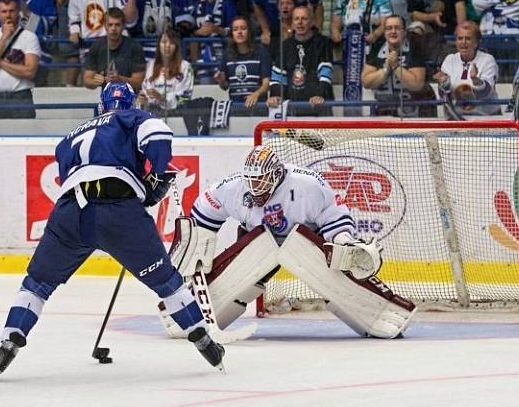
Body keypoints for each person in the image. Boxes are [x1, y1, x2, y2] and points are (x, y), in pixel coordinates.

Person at [0, 82, 224, 380]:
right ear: (131, 103)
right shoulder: (132, 118)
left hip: (69, 214)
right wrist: (156, 175)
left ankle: (8, 343)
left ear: (100, 105)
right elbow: (159, 134)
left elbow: (74, 172)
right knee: (167, 283)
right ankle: (203, 340)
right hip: (119, 213)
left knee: (37, 283)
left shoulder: (70, 136)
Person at [159, 145, 413, 339]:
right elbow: (203, 215)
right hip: (258, 240)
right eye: (251, 180)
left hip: (307, 240)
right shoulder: (232, 188)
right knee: (243, 270)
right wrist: (195, 248)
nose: (254, 186)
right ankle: (187, 318)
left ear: (277, 173)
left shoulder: (307, 185)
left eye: (260, 180)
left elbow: (333, 216)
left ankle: (379, 313)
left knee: (325, 272)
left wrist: (343, 242)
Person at [68, 0, 136, 87]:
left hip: (114, 43)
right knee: (92, 86)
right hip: (89, 45)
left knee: (116, 83)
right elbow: (74, 17)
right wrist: (74, 31)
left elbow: (125, 15)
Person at [362, 14, 437, 117]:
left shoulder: (415, 47)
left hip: (414, 111)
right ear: (384, 33)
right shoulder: (376, 48)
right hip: (384, 110)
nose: (393, 31)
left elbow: (416, 84)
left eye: (397, 28)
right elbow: (366, 82)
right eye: (389, 28)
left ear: (404, 32)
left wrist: (396, 67)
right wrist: (385, 70)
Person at [0, 0, 40, 119]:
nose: (8, 15)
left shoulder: (30, 37)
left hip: (21, 97)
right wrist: (4, 37)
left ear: (18, 13)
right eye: (4, 11)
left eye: (11, 11)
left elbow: (30, 71)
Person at [0, 0, 57, 85]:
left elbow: (49, 25)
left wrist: (29, 15)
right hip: (11, 56)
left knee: (38, 97)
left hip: (37, 56)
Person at [269, 5, 334, 117]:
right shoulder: (285, 46)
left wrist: (320, 95)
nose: (300, 22)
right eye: (296, 19)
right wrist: (275, 95)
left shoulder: (323, 43)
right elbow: (278, 77)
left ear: (312, 21)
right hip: (292, 109)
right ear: (292, 23)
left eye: (304, 18)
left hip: (318, 107)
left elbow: (325, 74)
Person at [434, 21, 500, 116]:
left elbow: (485, 92)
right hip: (456, 117)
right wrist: (444, 83)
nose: (463, 42)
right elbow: (442, 94)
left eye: (468, 38)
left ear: (476, 43)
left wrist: (476, 81)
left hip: (486, 117)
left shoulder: (488, 60)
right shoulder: (449, 60)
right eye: (460, 38)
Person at [214, 16, 271, 112]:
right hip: (235, 107)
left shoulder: (261, 52)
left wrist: (256, 94)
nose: (239, 32)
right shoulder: (227, 55)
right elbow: (225, 87)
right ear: (232, 34)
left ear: (249, 32)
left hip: (258, 107)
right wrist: (221, 81)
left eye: (243, 28)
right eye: (235, 29)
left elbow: (266, 84)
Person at [84, 8, 146, 93]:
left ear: (123, 26)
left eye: (117, 25)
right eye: (110, 25)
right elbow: (87, 81)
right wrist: (96, 81)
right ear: (105, 26)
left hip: (129, 99)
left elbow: (139, 83)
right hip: (106, 100)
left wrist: (120, 79)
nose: (113, 28)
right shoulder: (96, 46)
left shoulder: (134, 47)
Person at [190, 0, 237, 73]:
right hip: (201, 55)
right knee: (204, 85)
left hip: (223, 53)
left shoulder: (228, 3)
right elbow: (187, 31)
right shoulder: (195, 5)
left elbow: (234, 29)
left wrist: (217, 29)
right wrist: (198, 32)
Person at [140, 29, 194, 113]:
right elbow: (146, 91)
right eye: (164, 42)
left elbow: (185, 96)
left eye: (172, 43)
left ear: (177, 46)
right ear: (158, 45)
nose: (167, 46)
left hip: (177, 114)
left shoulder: (186, 66)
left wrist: (162, 98)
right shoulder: (150, 65)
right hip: (153, 114)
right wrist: (144, 100)